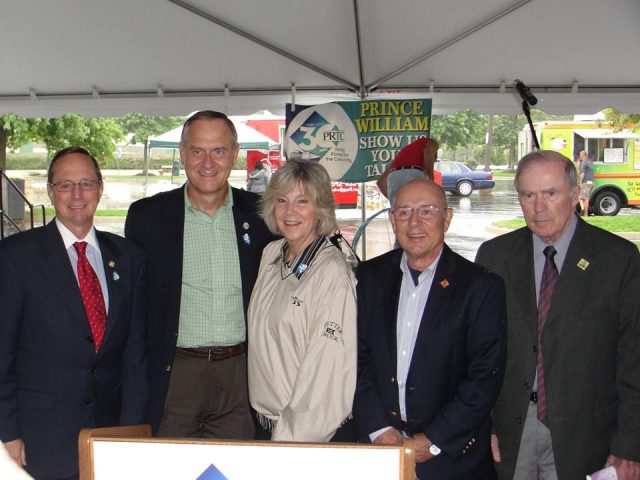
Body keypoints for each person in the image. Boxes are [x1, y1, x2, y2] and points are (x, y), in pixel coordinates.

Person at [475, 151, 640, 480]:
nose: (538, 207)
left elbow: (634, 361)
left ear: (576, 194)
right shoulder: (494, 256)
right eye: (528, 195)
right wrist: (484, 424)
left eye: (551, 193)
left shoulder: (618, 260)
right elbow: (477, 351)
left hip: (586, 437)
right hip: (511, 433)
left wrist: (629, 446)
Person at [125, 110, 274, 439]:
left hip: (243, 375)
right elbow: (133, 309)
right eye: (198, 151)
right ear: (182, 154)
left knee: (235, 471)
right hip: (176, 375)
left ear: (234, 155)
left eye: (219, 151)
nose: (208, 162)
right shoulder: (146, 217)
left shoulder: (264, 214)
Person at [0, 146, 147, 479]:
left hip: (109, 437)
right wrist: (7, 434)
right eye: (65, 185)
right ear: (51, 191)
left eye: (86, 183)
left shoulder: (127, 257)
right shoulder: (15, 257)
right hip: (40, 441)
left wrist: (132, 431)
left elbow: (134, 356)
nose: (77, 194)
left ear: (100, 188)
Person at [354, 178, 507, 480]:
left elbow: (484, 377)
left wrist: (432, 440)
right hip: (380, 449)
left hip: (451, 457)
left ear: (447, 218)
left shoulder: (480, 287)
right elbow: (356, 357)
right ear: (391, 219)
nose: (414, 223)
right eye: (404, 212)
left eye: (427, 211)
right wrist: (379, 429)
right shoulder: (370, 277)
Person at [248, 159, 357, 442]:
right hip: (265, 423)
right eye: (282, 200)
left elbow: (326, 376)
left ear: (319, 209)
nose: (289, 211)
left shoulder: (331, 272)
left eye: (302, 201)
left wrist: (289, 441)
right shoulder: (271, 254)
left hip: (304, 434)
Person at [376, 137, 441, 204]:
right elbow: (428, 152)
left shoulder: (401, 158)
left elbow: (380, 183)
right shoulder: (431, 143)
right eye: (433, 161)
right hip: (412, 174)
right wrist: (431, 179)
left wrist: (395, 203)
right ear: (434, 156)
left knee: (399, 211)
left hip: (393, 178)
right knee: (418, 206)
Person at [578, 150, 594, 216]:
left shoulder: (584, 163)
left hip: (586, 182)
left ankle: (584, 211)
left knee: (581, 198)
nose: (579, 156)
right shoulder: (589, 162)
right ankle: (585, 212)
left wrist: (580, 182)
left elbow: (582, 173)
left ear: (583, 155)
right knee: (586, 198)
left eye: (580, 155)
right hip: (591, 182)